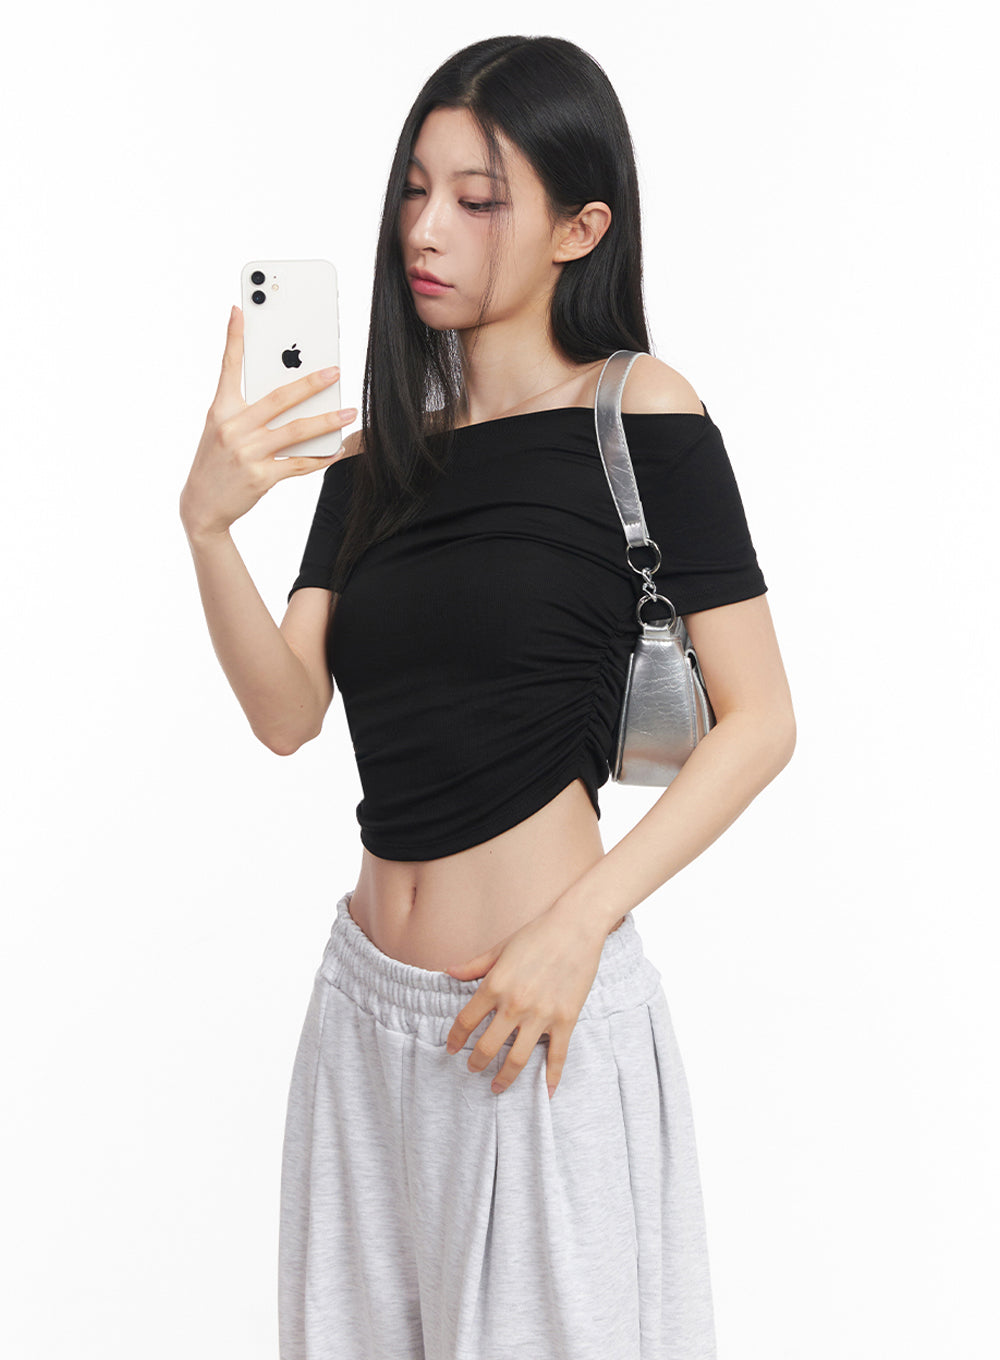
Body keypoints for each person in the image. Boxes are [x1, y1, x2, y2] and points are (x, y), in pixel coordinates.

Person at [180, 34, 795, 1360]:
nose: (426, 228)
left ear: (582, 229)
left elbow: (761, 722)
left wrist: (579, 926)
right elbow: (287, 713)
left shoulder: (641, 413)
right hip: (361, 1016)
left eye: (477, 198)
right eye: (415, 190)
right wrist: (209, 529)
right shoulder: (378, 457)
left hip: (536, 1013)